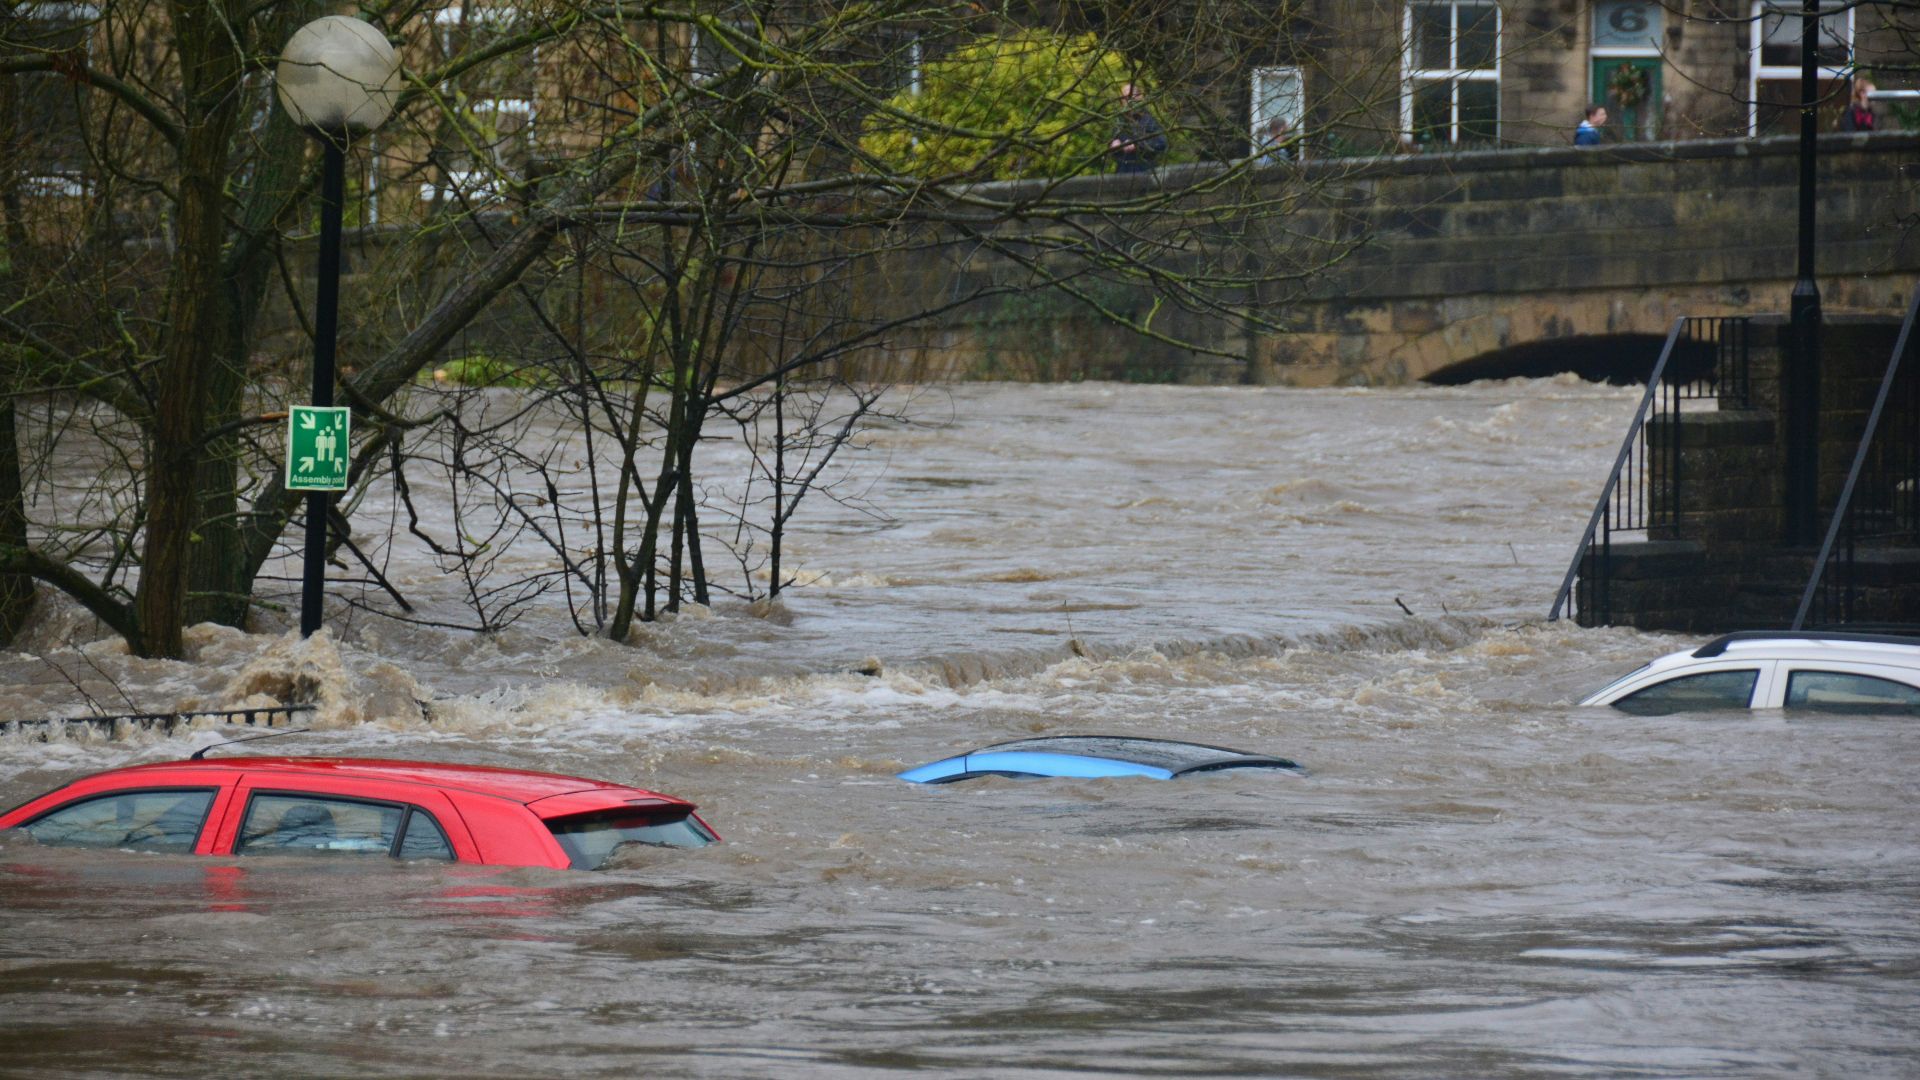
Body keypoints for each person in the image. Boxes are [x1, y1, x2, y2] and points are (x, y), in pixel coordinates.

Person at [1109, 83, 1168, 174]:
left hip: (1145, 172)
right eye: (1124, 98)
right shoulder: (1120, 122)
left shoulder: (1149, 120)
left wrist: (1137, 146)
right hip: (1123, 173)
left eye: (1131, 96)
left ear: (1140, 97)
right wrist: (1114, 145)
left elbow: (1161, 143)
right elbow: (1113, 147)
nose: (1128, 101)